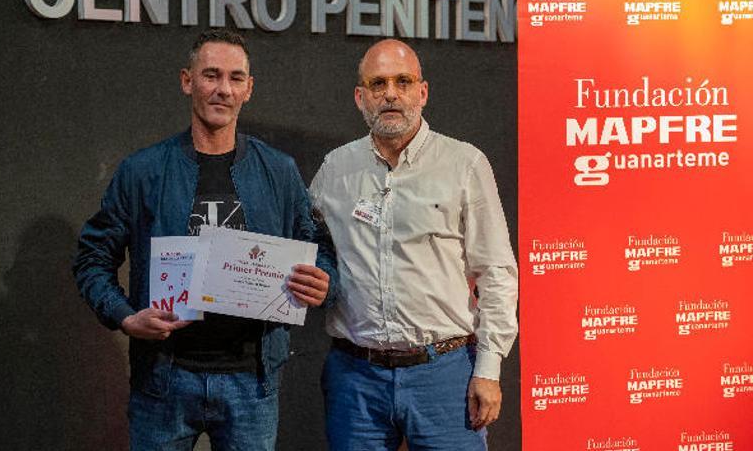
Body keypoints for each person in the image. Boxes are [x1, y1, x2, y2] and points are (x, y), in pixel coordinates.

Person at [73, 29, 329, 451]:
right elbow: (91, 258)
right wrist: (124, 317)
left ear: (249, 89)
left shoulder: (278, 171)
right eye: (211, 75)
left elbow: (319, 247)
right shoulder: (144, 171)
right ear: (187, 81)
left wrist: (324, 280)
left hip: (252, 380)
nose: (223, 89)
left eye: (235, 78)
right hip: (164, 378)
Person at [311, 39, 518, 451]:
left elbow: (496, 272)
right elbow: (309, 245)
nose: (390, 93)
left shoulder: (464, 164)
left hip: (443, 375)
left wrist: (489, 368)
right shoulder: (336, 169)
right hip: (356, 379)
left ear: (422, 92)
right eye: (378, 84)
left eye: (403, 81)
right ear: (360, 97)